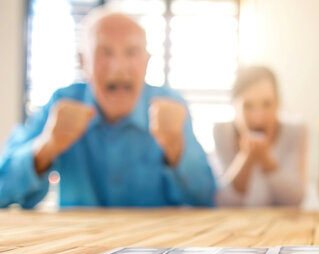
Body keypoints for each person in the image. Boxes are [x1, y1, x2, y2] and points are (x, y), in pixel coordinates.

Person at [0, 7, 215, 208]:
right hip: (79, 243)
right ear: (83, 62)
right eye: (106, 52)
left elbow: (206, 197)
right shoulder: (62, 102)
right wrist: (46, 146)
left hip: (156, 244)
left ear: (147, 61)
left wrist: (176, 148)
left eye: (131, 52)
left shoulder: (171, 104)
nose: (119, 66)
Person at [213, 66, 306, 206]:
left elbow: (295, 198)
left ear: (278, 103)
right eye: (248, 106)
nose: (258, 117)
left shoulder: (296, 131)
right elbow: (221, 202)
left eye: (267, 104)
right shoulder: (221, 132)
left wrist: (266, 161)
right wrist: (246, 158)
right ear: (234, 105)